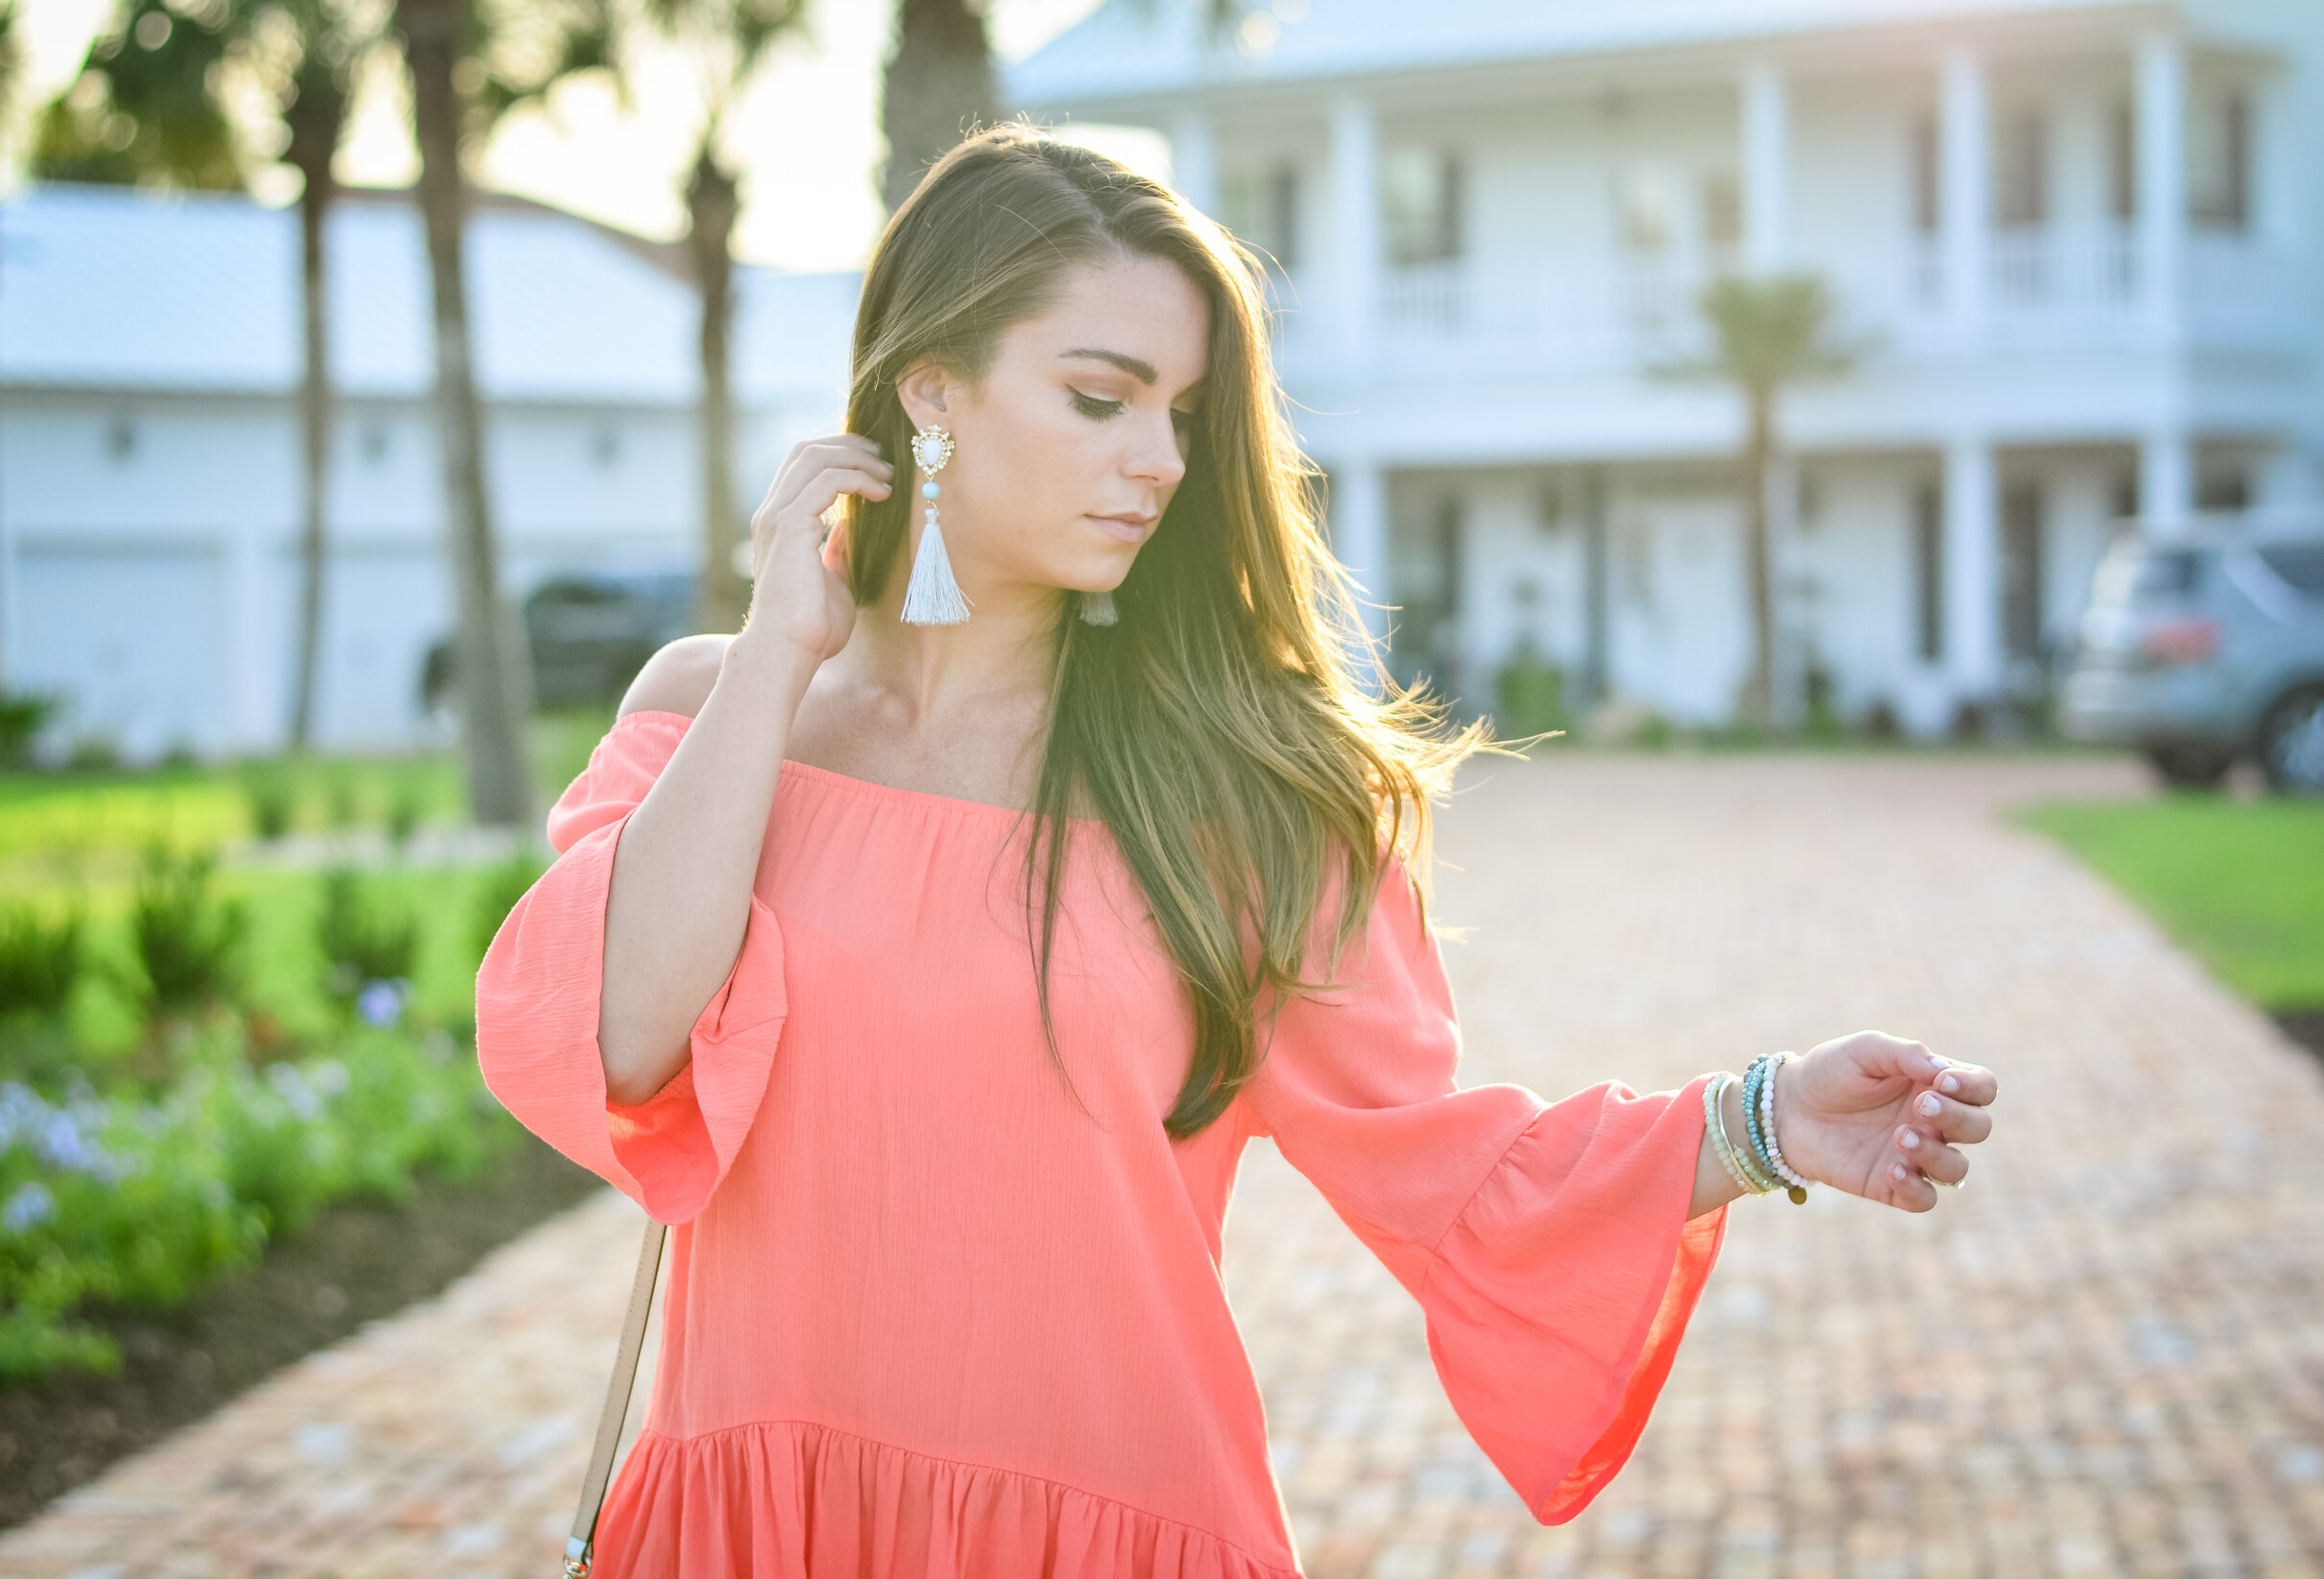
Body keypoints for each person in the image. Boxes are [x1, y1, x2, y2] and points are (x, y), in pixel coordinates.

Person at [474, 125, 1998, 1578]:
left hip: (1109, 1526)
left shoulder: (1237, 798)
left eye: (1184, 416)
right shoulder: (714, 712)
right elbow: (615, 1035)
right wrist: (775, 654)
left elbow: (1457, 1169)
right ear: (927, 392)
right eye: (1100, 397)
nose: (1158, 460)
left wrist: (1761, 1125)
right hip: (757, 1524)